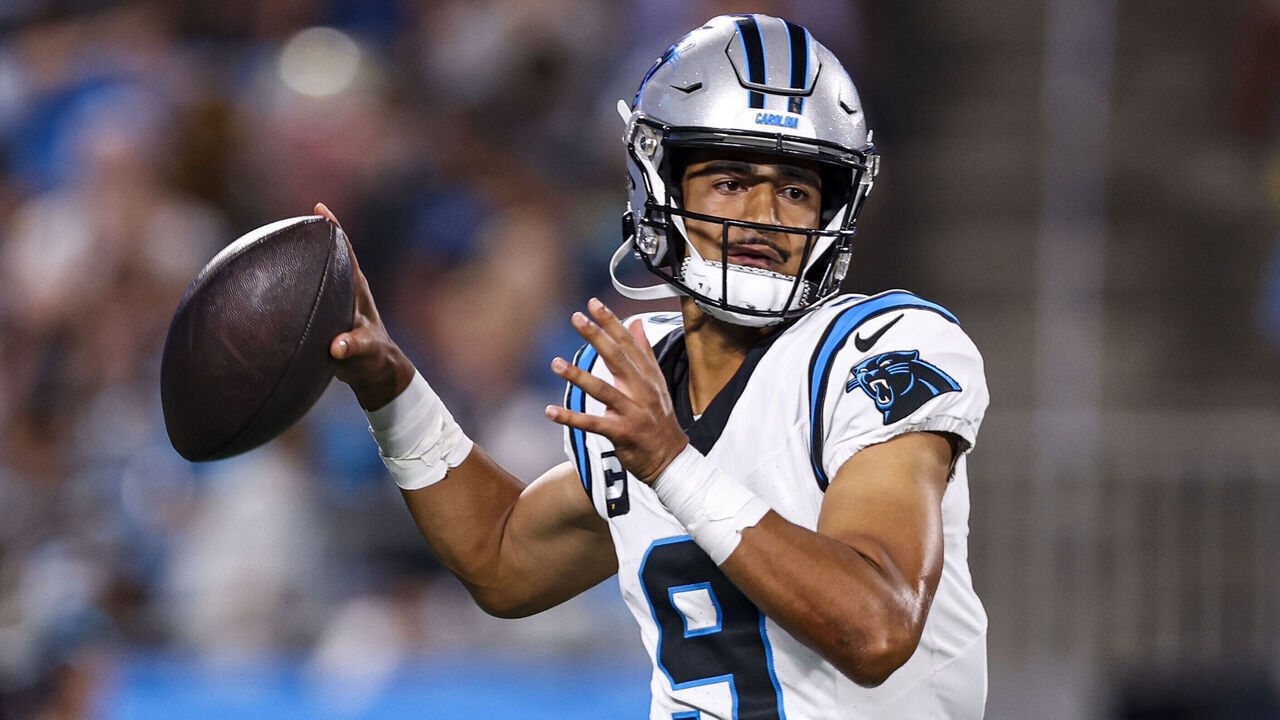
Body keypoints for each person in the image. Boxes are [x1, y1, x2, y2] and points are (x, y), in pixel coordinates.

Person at [321, 13, 989, 719]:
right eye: (731, 180)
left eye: (797, 189)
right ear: (659, 185)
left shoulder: (881, 350)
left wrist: (672, 463)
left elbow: (876, 626)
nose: (764, 213)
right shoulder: (644, 376)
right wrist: (390, 388)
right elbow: (502, 559)